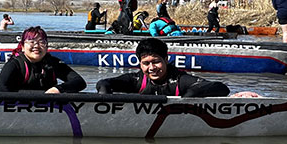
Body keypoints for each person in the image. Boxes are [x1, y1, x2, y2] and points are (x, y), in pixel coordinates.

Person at [96, 37, 230, 97]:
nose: (152, 68)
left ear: (166, 59)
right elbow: (104, 82)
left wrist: (190, 96)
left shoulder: (179, 80)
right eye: (146, 63)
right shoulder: (137, 80)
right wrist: (105, 96)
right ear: (140, 64)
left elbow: (221, 88)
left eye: (156, 62)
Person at [0, 26, 85, 93]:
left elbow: (79, 82)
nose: (36, 46)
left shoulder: (53, 63)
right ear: (23, 47)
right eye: (31, 42)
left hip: (49, 107)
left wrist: (58, 89)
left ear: (47, 46)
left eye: (41, 42)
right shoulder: (15, 64)